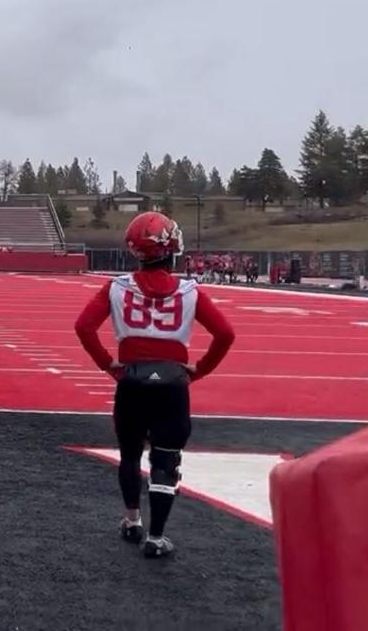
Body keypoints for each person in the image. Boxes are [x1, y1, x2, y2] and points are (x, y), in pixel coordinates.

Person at [74, 212, 235, 559]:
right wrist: (199, 370)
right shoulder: (191, 291)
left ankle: (132, 520)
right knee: (166, 460)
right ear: (171, 247)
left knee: (130, 455)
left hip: (131, 380)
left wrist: (107, 364)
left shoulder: (116, 287)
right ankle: (157, 537)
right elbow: (225, 334)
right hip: (172, 385)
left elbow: (84, 327)